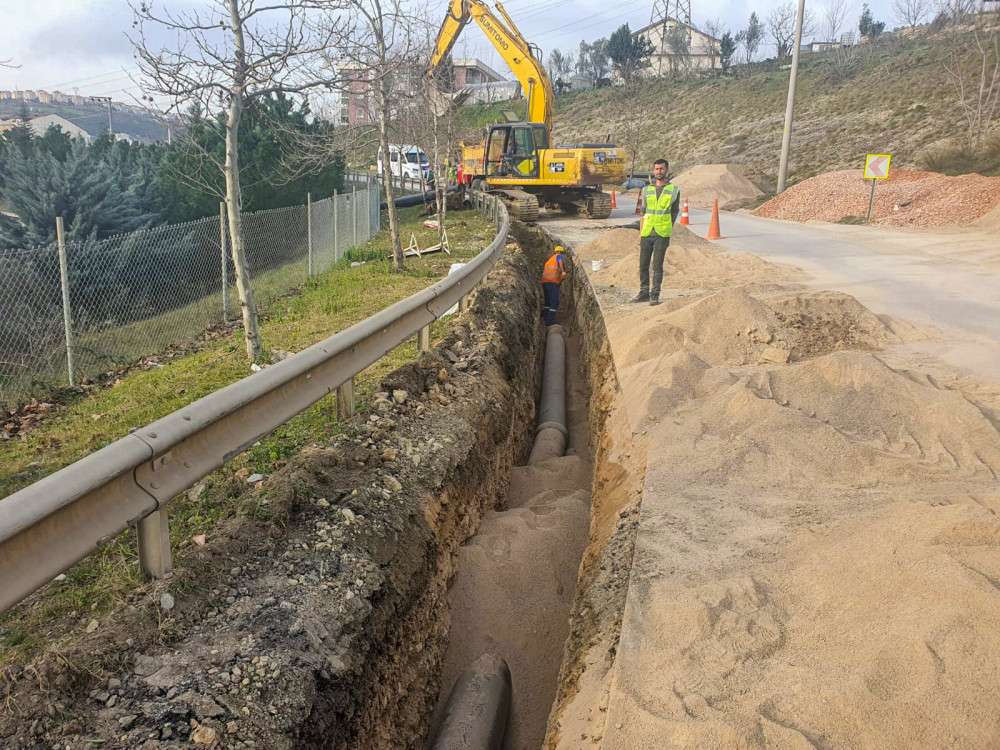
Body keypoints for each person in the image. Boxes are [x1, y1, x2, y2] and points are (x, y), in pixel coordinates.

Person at [632, 158, 680, 306]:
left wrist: (667, 227)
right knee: (643, 265)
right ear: (653, 171)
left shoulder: (674, 190)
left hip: (661, 234)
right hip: (647, 232)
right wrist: (641, 232)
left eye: (662, 169)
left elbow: (674, 212)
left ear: (666, 170)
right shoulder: (647, 190)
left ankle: (655, 295)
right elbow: (643, 212)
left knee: (657, 266)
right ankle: (644, 292)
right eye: (657, 169)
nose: (659, 171)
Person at [541, 245, 568, 325]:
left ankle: (545, 317)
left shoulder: (549, 260)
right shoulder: (558, 256)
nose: (563, 255)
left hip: (545, 282)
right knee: (554, 302)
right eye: (562, 253)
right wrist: (563, 271)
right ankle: (550, 321)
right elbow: (560, 261)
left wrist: (560, 280)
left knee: (548, 302)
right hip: (552, 283)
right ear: (559, 252)